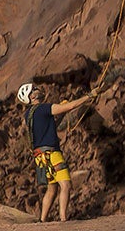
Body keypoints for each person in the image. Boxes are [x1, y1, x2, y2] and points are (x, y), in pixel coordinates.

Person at [17, 82, 95, 223]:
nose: (38, 89)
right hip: (52, 154)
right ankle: (63, 218)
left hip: (40, 157)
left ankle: (43, 219)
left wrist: (61, 112)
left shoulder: (29, 114)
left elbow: (50, 125)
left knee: (52, 188)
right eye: (34, 89)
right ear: (31, 96)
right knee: (65, 185)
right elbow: (70, 106)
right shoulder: (44, 108)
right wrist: (89, 96)